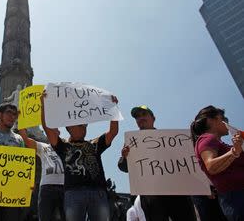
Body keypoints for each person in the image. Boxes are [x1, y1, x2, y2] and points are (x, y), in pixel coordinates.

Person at [41, 93, 119, 221]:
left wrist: (113, 108)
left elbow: (113, 132)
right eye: (80, 124)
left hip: (98, 192)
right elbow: (47, 128)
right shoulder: (63, 146)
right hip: (73, 194)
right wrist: (43, 104)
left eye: (85, 125)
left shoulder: (95, 144)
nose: (84, 127)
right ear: (69, 128)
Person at [118, 105, 197, 221]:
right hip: (152, 196)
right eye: (137, 117)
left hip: (177, 192)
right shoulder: (131, 142)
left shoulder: (172, 140)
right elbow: (123, 167)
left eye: (144, 114)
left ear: (153, 118)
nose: (140, 118)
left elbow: (186, 163)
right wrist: (125, 157)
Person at [190, 105, 244, 220]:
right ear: (211, 120)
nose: (227, 121)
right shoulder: (207, 138)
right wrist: (234, 151)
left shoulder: (219, 144)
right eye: (223, 118)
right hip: (237, 197)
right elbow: (211, 166)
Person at [18, 128, 65, 221]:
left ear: (59, 132)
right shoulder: (43, 146)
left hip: (65, 187)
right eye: (50, 130)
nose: (52, 132)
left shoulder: (67, 145)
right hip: (47, 188)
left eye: (54, 130)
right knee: (45, 217)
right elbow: (25, 139)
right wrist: (22, 123)